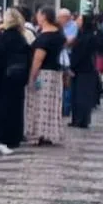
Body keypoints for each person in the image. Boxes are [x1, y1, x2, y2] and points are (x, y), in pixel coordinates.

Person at [0, 8, 31, 154]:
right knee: (17, 107)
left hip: (5, 77)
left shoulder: (4, 37)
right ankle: (16, 136)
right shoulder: (22, 38)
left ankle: (5, 137)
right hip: (19, 76)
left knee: (5, 108)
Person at [26, 8, 66, 146]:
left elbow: (38, 60)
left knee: (39, 103)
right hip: (55, 73)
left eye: (38, 14)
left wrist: (32, 77)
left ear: (43, 16)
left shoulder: (44, 38)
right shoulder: (59, 35)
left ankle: (39, 132)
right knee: (52, 105)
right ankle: (49, 132)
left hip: (43, 73)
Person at [69, 13, 103, 128]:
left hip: (84, 69)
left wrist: (72, 65)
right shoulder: (82, 35)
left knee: (82, 96)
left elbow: (81, 53)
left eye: (80, 19)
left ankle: (81, 120)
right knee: (77, 96)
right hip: (81, 69)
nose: (77, 21)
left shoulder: (88, 37)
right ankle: (78, 119)